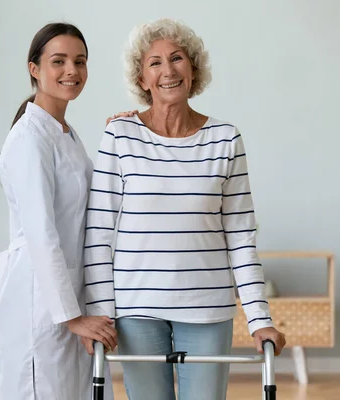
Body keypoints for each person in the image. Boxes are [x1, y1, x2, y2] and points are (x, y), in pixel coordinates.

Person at [83, 18, 286, 399]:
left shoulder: (226, 139)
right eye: (154, 63)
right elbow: (98, 234)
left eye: (177, 58)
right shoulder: (119, 136)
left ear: (193, 69)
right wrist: (99, 312)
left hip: (208, 309)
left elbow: (241, 238)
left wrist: (260, 319)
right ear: (142, 79)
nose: (168, 70)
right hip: (136, 308)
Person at [0, 22, 118, 400]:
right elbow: (42, 234)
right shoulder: (29, 138)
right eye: (58, 61)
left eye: (80, 61)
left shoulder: (65, 133)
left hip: (68, 292)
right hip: (38, 300)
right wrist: (73, 317)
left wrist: (119, 137)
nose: (71, 71)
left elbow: (93, 208)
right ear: (34, 69)